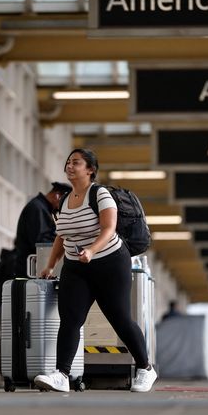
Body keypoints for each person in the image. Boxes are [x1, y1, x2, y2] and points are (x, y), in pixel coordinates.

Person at [33, 148, 157, 393]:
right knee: (70, 320)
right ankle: (62, 375)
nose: (70, 166)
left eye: (76, 163)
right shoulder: (66, 200)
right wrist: (50, 265)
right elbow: (61, 236)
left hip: (110, 262)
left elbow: (109, 228)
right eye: (68, 162)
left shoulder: (100, 194)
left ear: (90, 170)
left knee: (119, 318)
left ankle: (145, 368)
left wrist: (91, 250)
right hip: (76, 266)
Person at [12, 181, 72, 278]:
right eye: (65, 203)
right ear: (57, 196)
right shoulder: (37, 208)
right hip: (29, 271)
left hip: (35, 270)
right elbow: (41, 240)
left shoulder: (43, 209)